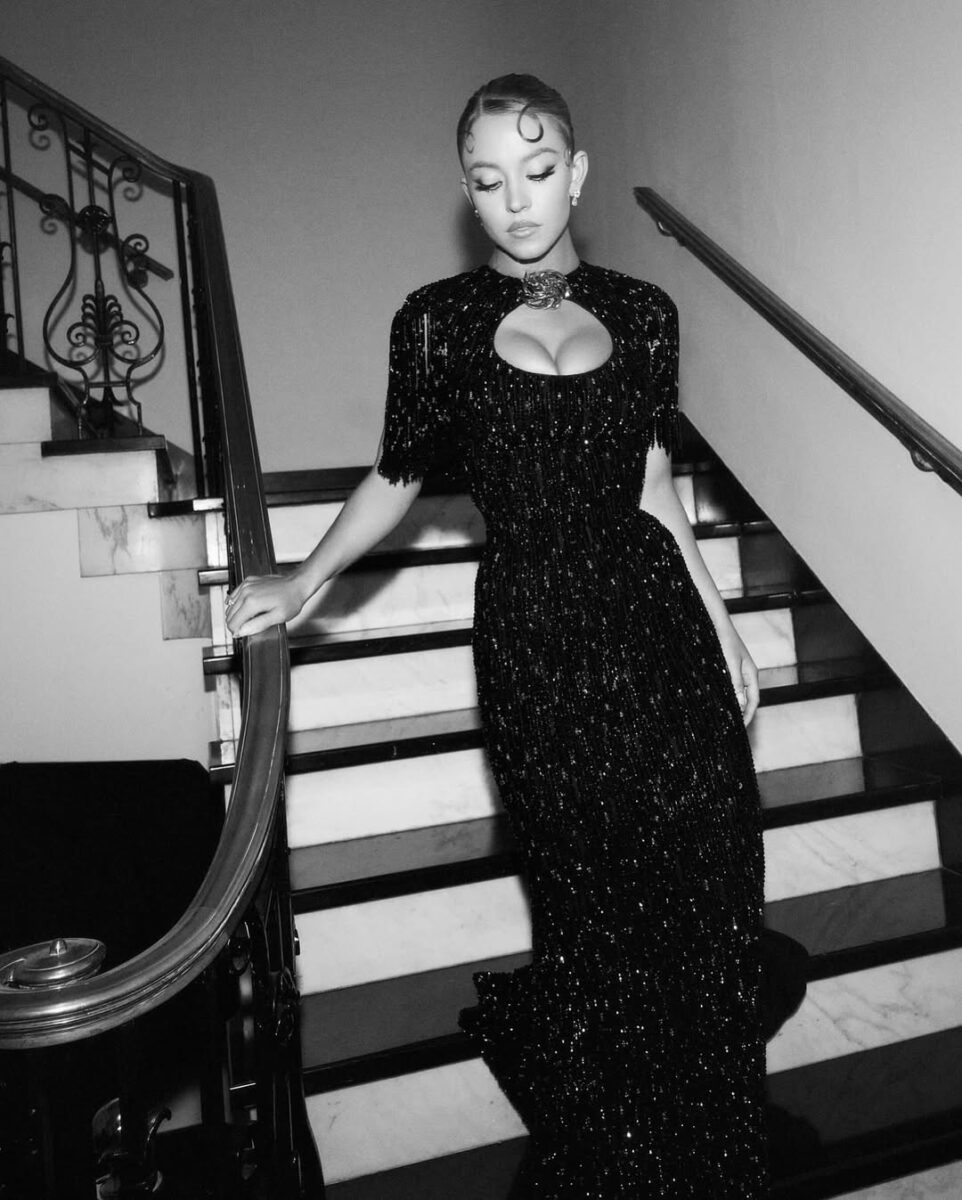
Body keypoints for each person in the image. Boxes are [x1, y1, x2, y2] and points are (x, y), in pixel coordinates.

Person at [226, 74, 767, 1198]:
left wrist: (722, 626)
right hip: (536, 634)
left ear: (576, 174)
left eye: (536, 170)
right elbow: (396, 476)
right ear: (466, 194)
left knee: (704, 875)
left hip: (655, 620)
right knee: (583, 888)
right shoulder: (434, 321)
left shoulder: (647, 312)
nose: (516, 200)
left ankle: (703, 1146)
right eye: (487, 180)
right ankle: (615, 1151)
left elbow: (653, 484)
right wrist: (305, 580)